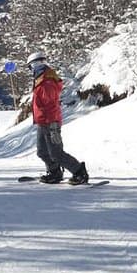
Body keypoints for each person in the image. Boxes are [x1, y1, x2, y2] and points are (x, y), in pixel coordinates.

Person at [27, 51, 89, 185]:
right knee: (42, 152)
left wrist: (53, 125)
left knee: (56, 153)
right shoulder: (41, 80)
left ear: (37, 64)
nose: (31, 70)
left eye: (30, 67)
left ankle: (79, 171)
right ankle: (55, 172)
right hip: (42, 121)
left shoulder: (47, 81)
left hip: (50, 122)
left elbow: (50, 105)